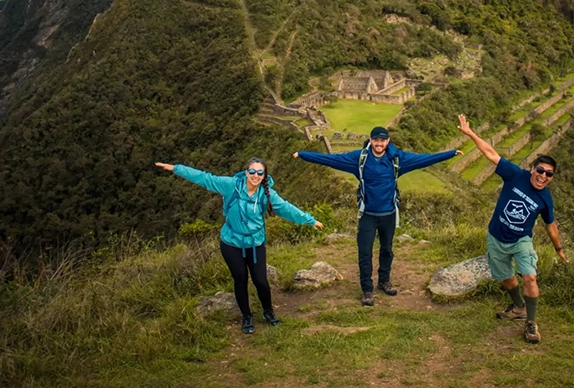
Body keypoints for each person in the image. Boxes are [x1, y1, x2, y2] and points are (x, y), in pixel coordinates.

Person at [293, 126, 462, 306]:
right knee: (364, 253)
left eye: (383, 140)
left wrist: (450, 154)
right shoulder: (360, 159)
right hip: (367, 215)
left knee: (387, 250)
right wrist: (304, 155)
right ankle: (367, 290)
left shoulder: (397, 159)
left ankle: (384, 281)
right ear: (371, 140)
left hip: (388, 213)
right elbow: (331, 160)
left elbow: (424, 159)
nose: (379, 143)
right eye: (376, 140)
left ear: (388, 141)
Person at [155, 158, 323, 334]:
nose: (255, 176)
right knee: (240, 279)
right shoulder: (231, 186)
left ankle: (268, 312)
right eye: (252, 171)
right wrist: (176, 168)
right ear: (246, 172)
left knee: (260, 281)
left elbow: (287, 208)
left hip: (255, 243)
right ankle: (246, 316)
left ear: (264, 176)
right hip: (231, 243)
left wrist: (309, 220)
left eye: (260, 173)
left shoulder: (266, 194)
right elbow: (205, 178)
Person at [456, 114, 568, 344]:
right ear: (532, 169)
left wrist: (559, 248)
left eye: (549, 174)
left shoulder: (545, 199)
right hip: (496, 237)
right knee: (507, 279)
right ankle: (518, 307)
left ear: (552, 178)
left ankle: (531, 323)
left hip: (521, 241)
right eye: (540, 170)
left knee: (530, 277)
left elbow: (551, 225)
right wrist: (470, 134)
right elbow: (490, 153)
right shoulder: (515, 175)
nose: (543, 176)